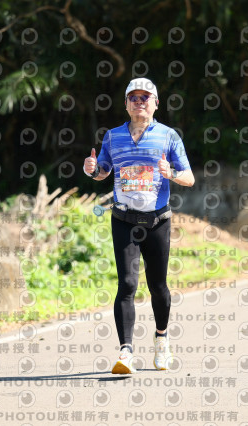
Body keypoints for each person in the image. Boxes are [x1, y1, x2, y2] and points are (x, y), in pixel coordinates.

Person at [83, 78, 195, 374]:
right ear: (126, 104)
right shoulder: (113, 137)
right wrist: (92, 170)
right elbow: (103, 171)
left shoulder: (169, 136)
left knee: (158, 286)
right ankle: (126, 352)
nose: (139, 102)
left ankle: (161, 340)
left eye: (145, 97)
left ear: (156, 103)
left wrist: (170, 173)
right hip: (124, 219)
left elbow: (189, 178)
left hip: (158, 221)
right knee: (127, 284)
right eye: (133, 97)